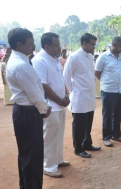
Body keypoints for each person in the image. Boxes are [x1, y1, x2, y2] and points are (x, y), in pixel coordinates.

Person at [6, 28, 51, 189]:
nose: (33, 47)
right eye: (31, 44)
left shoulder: (18, 60)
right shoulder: (21, 65)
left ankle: (25, 186)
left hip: (23, 112)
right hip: (29, 113)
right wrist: (44, 109)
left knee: (26, 154)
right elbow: (35, 94)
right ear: (20, 45)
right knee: (33, 156)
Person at [32, 32, 70, 178]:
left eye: (59, 45)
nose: (59, 48)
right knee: (50, 137)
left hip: (60, 104)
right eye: (55, 46)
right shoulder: (40, 60)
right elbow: (43, 85)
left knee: (59, 134)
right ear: (46, 46)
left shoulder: (54, 59)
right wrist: (59, 100)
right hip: (50, 106)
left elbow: (60, 81)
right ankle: (48, 166)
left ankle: (58, 160)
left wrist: (65, 96)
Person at [63, 33, 101, 158]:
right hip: (79, 96)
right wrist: (73, 90)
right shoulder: (74, 57)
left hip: (89, 96)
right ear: (84, 43)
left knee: (88, 122)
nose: (93, 47)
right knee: (79, 125)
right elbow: (66, 77)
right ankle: (78, 148)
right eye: (92, 44)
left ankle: (87, 144)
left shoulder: (90, 57)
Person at [95, 36, 121, 147]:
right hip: (108, 90)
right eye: (120, 46)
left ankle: (116, 134)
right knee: (107, 114)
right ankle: (107, 137)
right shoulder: (103, 57)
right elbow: (97, 72)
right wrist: (106, 82)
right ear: (113, 45)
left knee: (118, 113)